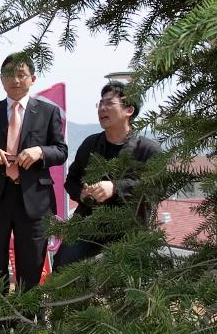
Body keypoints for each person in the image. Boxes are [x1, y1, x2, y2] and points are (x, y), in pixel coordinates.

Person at [0, 53, 68, 300]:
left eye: (21, 74)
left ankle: (26, 324)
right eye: (9, 75)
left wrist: (40, 151)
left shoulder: (48, 111)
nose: (15, 80)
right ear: (1, 80)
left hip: (34, 199)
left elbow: (61, 151)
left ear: (32, 78)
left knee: (31, 263)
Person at [56, 82, 161, 268]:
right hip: (88, 225)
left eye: (109, 104)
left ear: (129, 110)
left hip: (130, 228)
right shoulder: (90, 145)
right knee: (64, 263)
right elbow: (71, 181)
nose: (102, 109)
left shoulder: (148, 150)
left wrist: (115, 187)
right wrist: (81, 193)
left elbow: (157, 187)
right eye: (100, 104)